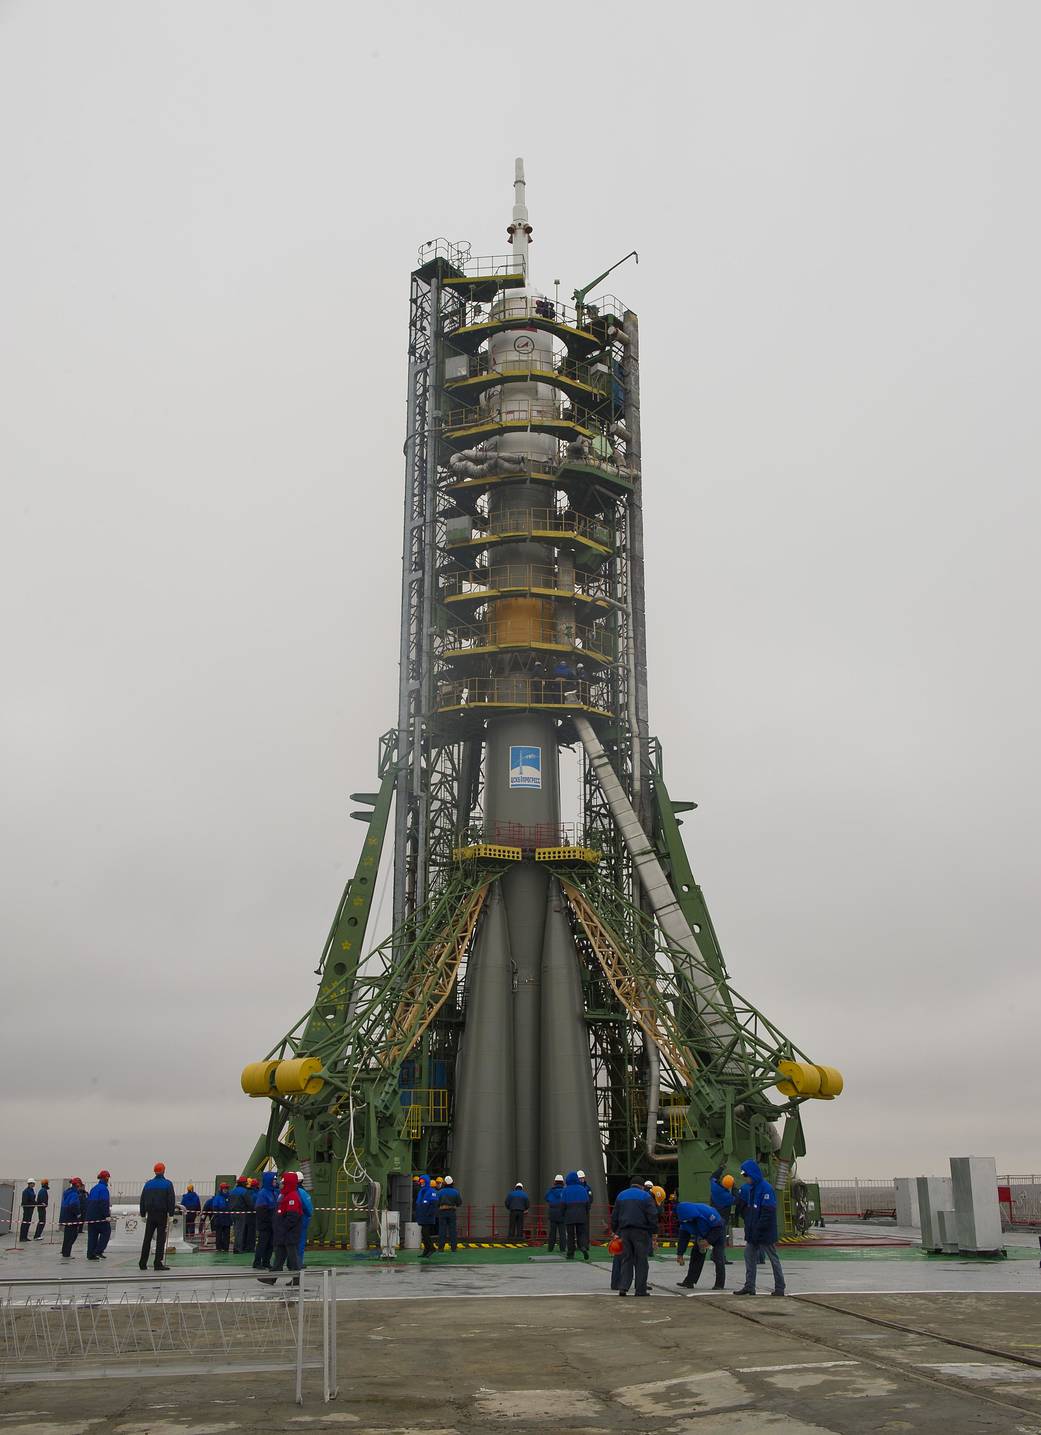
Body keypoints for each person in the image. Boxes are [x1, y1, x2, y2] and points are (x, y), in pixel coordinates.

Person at [732, 1159, 785, 1297]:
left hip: (765, 1233)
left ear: (753, 1174)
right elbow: (749, 1211)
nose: (745, 1179)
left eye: (747, 1176)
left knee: (773, 1258)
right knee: (748, 1256)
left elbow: (768, 1213)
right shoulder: (751, 1189)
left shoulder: (766, 1189)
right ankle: (749, 1286)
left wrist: (757, 1229)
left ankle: (780, 1287)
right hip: (753, 1232)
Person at [611, 1178, 659, 1297]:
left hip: (624, 1232)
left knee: (627, 1259)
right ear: (642, 1186)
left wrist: (616, 1230)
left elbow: (614, 1215)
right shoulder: (645, 1196)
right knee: (641, 1261)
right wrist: (654, 1232)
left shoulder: (621, 1195)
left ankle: (623, 1287)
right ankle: (640, 1290)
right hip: (641, 1232)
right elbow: (652, 1215)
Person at [259, 1171, 304, 1285]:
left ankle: (296, 1279)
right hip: (283, 1233)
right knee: (279, 1257)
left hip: (288, 1234)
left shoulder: (291, 1197)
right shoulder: (286, 1195)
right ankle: (272, 1278)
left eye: (283, 1182)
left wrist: (283, 1228)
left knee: (292, 1257)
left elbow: (292, 1217)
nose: (280, 1184)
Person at [674, 1201, 726, 1290]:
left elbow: (719, 1227)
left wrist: (708, 1240)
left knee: (718, 1257)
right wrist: (680, 1254)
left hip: (717, 1232)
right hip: (701, 1235)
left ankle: (719, 1284)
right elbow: (683, 1238)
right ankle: (689, 1281)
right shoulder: (684, 1221)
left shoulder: (708, 1212)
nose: (688, 1221)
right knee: (695, 1256)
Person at [138, 1161, 176, 1271]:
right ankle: (157, 1263)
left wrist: (142, 1214)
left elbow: (142, 1199)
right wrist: (171, 1214)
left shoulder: (148, 1184)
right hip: (161, 1214)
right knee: (160, 1239)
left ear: (155, 1171)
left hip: (150, 1215)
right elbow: (171, 1200)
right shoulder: (168, 1184)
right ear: (163, 1170)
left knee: (147, 1239)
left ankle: (142, 1263)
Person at [563, 1170, 591, 1260]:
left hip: (569, 1215)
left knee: (571, 1235)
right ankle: (583, 1247)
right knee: (581, 1233)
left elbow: (562, 1204)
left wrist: (564, 1214)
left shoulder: (566, 1190)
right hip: (581, 1214)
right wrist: (586, 1213)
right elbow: (587, 1203)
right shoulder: (583, 1189)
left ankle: (570, 1253)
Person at [252, 1171, 278, 1270]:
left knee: (270, 1244)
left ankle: (266, 1261)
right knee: (262, 1244)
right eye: (274, 1180)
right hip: (265, 1224)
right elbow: (260, 1210)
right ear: (269, 1181)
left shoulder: (273, 1192)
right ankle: (257, 1262)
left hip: (272, 1223)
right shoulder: (263, 1193)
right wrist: (269, 1221)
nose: (275, 1181)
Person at [85, 1170, 112, 1260]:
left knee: (92, 1236)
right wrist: (107, 1215)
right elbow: (103, 1203)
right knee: (106, 1232)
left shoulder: (94, 1188)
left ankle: (90, 1254)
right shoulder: (103, 1189)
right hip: (100, 1216)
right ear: (106, 1178)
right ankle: (98, 1251)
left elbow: (88, 1202)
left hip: (90, 1216)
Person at [59, 1178, 86, 1259]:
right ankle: (67, 1253)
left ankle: (64, 1251)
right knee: (72, 1235)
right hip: (71, 1217)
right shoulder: (74, 1194)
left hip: (65, 1215)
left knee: (67, 1235)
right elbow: (73, 1204)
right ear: (78, 1185)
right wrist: (77, 1213)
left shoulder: (67, 1192)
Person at [414, 1176, 439, 1257]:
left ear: (426, 1182)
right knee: (423, 1234)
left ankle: (431, 1248)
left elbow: (434, 1205)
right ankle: (427, 1250)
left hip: (427, 1217)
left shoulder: (432, 1192)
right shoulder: (421, 1192)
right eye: (420, 1182)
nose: (421, 1183)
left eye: (423, 1182)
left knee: (425, 1233)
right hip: (422, 1216)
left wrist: (428, 1214)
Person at [437, 1175, 462, 1252]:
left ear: (444, 1183)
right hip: (452, 1212)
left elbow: (437, 1202)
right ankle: (453, 1247)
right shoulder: (455, 1192)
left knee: (442, 1230)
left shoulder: (440, 1192)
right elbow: (459, 1203)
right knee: (452, 1230)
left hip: (442, 1213)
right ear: (452, 1183)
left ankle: (441, 1247)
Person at [545, 1174, 567, 1253]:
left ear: (555, 1182)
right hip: (562, 1213)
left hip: (553, 1214)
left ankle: (550, 1248)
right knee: (562, 1233)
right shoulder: (565, 1191)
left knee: (552, 1233)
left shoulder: (550, 1191)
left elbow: (546, 1198)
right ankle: (563, 1249)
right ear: (562, 1182)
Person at [295, 1172, 313, 1266]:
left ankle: (293, 1263)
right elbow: (307, 1207)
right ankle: (298, 1263)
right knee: (300, 1242)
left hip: (291, 1221)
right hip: (301, 1219)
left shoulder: (285, 1192)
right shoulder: (301, 1192)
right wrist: (309, 1215)